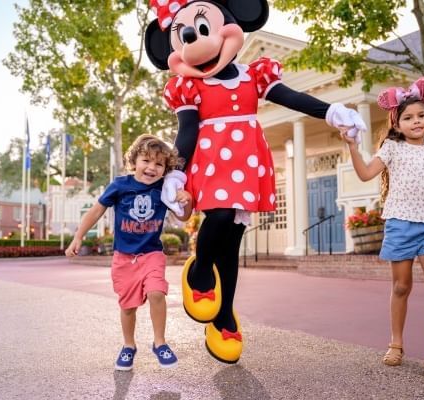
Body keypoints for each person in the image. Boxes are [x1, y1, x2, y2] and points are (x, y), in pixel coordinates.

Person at [144, 0, 367, 363]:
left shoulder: (254, 75)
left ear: (232, 22)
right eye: (185, 38)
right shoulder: (188, 87)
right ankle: (199, 271)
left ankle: (224, 316)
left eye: (203, 29)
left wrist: (330, 112)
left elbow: (291, 97)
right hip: (210, 160)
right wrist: (176, 170)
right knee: (216, 218)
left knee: (232, 242)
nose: (197, 42)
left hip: (246, 161)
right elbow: (186, 132)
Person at [340, 76, 424, 376]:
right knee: (401, 286)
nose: (416, 121)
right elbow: (366, 174)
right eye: (408, 117)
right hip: (399, 225)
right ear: (397, 125)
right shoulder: (392, 149)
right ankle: (396, 343)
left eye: (422, 115)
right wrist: (353, 148)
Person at [65, 134, 193, 371]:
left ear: (165, 169)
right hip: (124, 259)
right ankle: (128, 345)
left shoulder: (164, 189)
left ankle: (160, 342)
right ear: (134, 161)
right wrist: (78, 236)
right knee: (128, 307)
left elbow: (183, 216)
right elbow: (95, 212)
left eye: (159, 164)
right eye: (146, 160)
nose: (151, 168)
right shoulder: (119, 186)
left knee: (157, 293)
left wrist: (188, 200)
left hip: (151, 254)